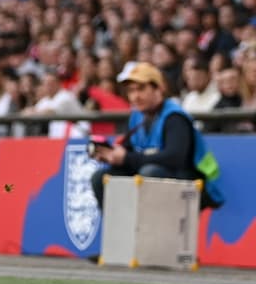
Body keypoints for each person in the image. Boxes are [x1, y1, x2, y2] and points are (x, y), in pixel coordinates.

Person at [88, 61, 225, 210]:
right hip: (157, 177)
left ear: (159, 89)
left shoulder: (175, 117)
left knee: (150, 173)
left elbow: (174, 158)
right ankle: (117, 231)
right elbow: (130, 151)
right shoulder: (137, 116)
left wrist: (126, 158)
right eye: (131, 91)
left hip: (191, 182)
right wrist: (111, 155)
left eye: (141, 89)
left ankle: (153, 230)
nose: (135, 96)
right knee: (101, 178)